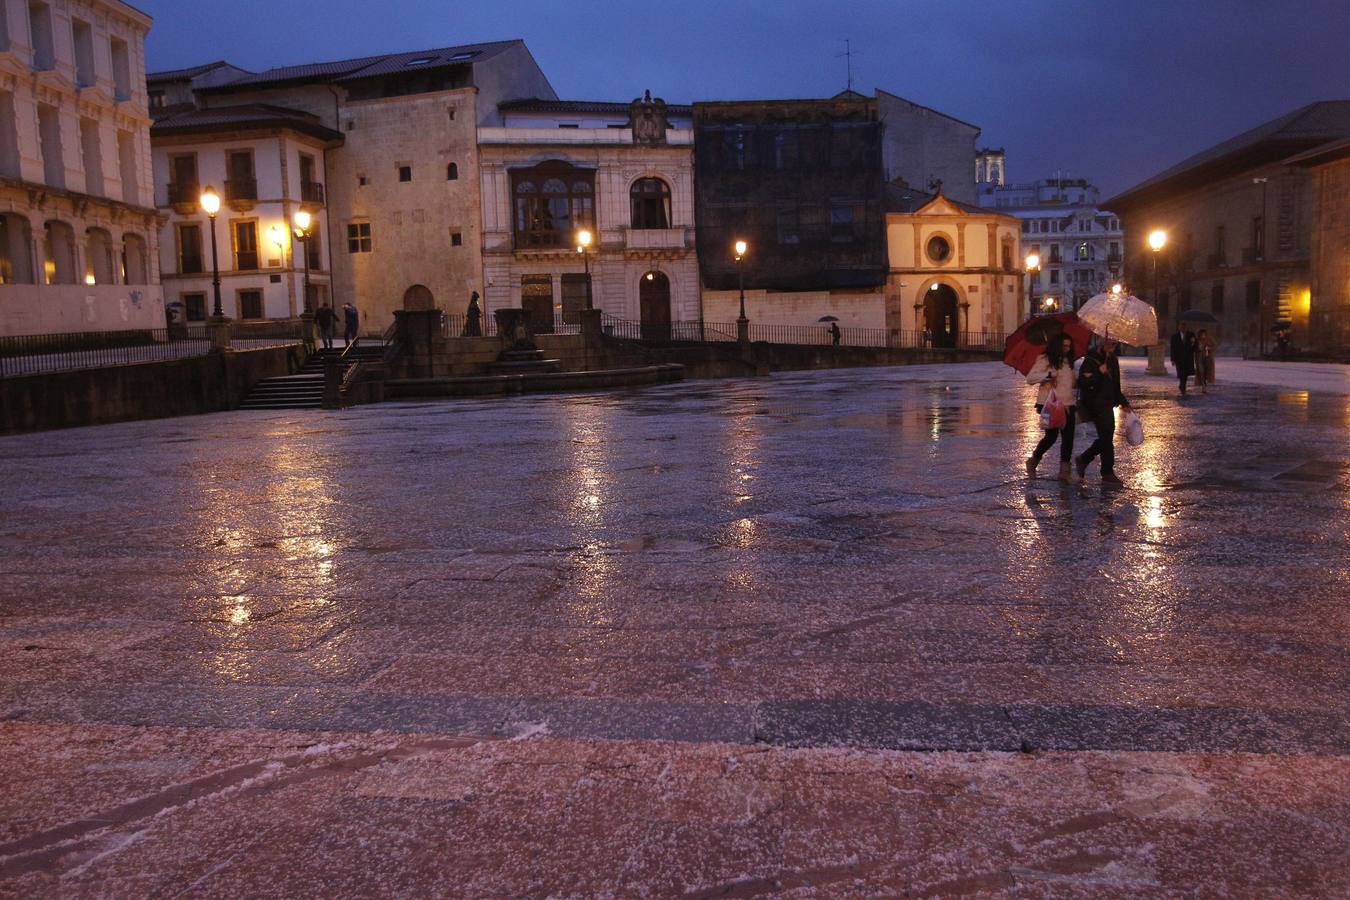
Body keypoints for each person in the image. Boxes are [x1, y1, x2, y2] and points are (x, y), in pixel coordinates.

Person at [1075, 336, 1130, 485]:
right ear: (1101, 341)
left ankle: (1084, 459)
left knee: (1106, 437)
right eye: (1110, 343)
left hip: (1108, 403)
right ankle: (1107, 473)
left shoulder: (1113, 359)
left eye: (1115, 343)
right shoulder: (1091, 359)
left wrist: (1123, 402)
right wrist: (1099, 372)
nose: (1112, 345)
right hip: (1095, 403)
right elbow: (1082, 382)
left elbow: (1115, 384)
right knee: (1106, 436)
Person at [1024, 334, 1078, 480]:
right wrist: (1048, 375)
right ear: (1057, 346)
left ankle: (1064, 472)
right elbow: (1030, 378)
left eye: (1069, 346)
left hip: (1068, 404)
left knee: (1068, 438)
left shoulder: (1068, 361)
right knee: (1051, 437)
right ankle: (1034, 459)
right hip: (1050, 404)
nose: (1067, 349)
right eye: (1064, 346)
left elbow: (1071, 383)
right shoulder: (1045, 359)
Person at [1169, 322, 1194, 396]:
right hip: (1178, 358)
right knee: (1180, 372)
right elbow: (1172, 348)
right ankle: (1182, 384)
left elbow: (1194, 344)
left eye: (1184, 327)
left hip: (1188, 357)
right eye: (1182, 327)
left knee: (1185, 373)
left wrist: (1193, 345)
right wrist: (1172, 359)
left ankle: (1183, 385)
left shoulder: (1191, 335)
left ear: (1187, 328)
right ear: (1179, 328)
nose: (1183, 328)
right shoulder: (1174, 336)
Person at [1195, 328, 1215, 392]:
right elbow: (1193, 348)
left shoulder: (1209, 339)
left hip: (1207, 358)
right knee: (1201, 372)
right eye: (1201, 334)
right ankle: (1203, 385)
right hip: (1199, 358)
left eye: (1204, 334)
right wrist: (1197, 348)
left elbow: (1214, 346)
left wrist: (1209, 348)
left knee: (1207, 372)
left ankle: (1205, 385)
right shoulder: (1197, 340)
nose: (1202, 335)